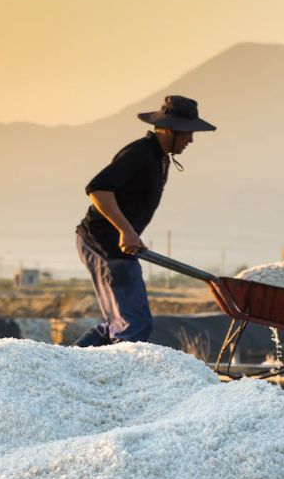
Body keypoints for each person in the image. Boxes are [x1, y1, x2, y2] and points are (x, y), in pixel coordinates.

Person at [73, 95, 216, 347]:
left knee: (122, 324)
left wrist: (130, 235)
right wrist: (126, 231)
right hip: (102, 242)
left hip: (117, 243)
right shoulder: (139, 154)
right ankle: (110, 382)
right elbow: (98, 190)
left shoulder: (159, 157)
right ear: (171, 130)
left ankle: (65, 365)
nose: (191, 140)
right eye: (188, 133)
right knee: (133, 325)